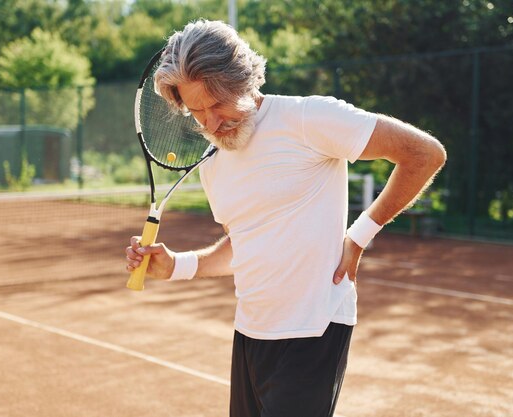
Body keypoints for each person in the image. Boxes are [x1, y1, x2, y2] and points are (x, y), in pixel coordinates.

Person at [125, 19, 446, 417]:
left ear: (242, 83)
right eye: (196, 111)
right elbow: (244, 246)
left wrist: (359, 235)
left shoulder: (308, 119)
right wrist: (177, 265)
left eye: (217, 105)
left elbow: (424, 154)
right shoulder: (212, 165)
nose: (209, 123)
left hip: (314, 331)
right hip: (250, 334)